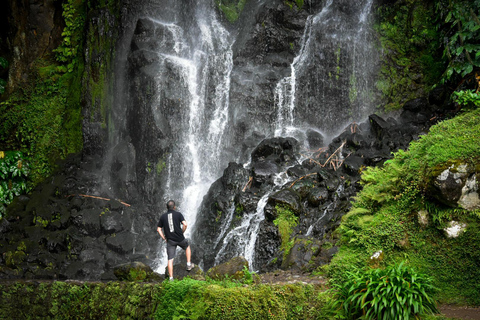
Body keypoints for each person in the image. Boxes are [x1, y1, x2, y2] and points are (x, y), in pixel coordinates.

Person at [157, 200, 194, 281]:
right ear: (174, 207)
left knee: (170, 259)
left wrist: (164, 238)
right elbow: (185, 224)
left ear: (167, 207)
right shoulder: (178, 214)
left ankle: (171, 278)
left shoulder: (163, 216)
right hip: (180, 238)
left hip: (170, 240)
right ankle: (188, 264)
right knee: (187, 247)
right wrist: (182, 232)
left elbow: (158, 229)